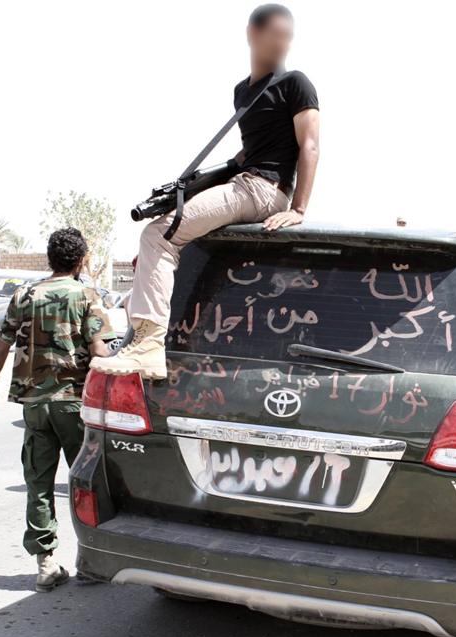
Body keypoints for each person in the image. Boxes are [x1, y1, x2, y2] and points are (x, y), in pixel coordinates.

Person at [92, 3, 320, 379]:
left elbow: (309, 145)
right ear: (252, 34)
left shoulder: (296, 83)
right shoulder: (242, 92)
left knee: (159, 236)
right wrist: (194, 185)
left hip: (263, 188)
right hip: (244, 181)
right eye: (276, 36)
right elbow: (246, 153)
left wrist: (298, 208)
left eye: (288, 38)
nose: (283, 45)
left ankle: (147, 346)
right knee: (168, 223)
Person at [0, 228, 113, 592]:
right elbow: (99, 350)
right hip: (74, 403)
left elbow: (1, 347)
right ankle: (93, 559)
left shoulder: (24, 295)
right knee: (88, 483)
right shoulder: (87, 295)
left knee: (38, 483)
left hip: (35, 405)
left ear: (49, 259)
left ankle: (46, 564)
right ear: (81, 260)